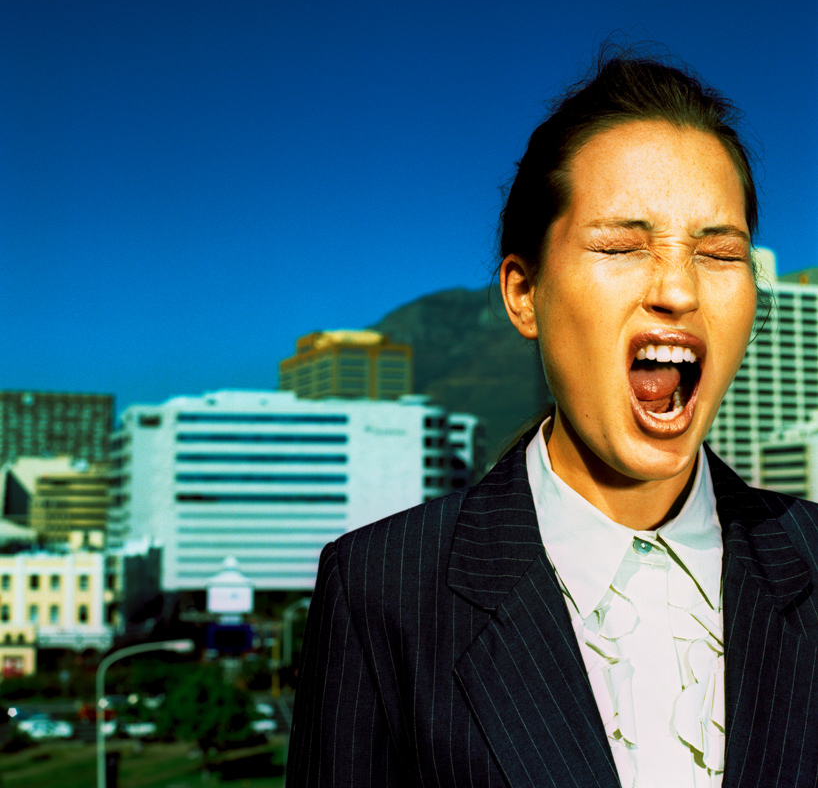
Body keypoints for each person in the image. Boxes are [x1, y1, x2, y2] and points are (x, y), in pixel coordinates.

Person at [286, 52, 818, 788]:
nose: (677, 289)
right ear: (523, 293)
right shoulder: (381, 590)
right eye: (621, 246)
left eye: (719, 254)